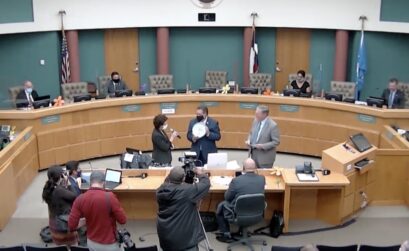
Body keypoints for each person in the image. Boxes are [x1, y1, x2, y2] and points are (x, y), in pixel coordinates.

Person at [68, 171, 127, 251]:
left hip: (91, 243)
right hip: (110, 244)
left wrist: (88, 219)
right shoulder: (110, 197)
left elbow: (71, 225)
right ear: (104, 182)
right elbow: (123, 220)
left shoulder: (80, 199)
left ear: (90, 182)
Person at [156, 166, 210, 251]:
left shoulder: (160, 190)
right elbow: (206, 184)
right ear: (183, 178)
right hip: (184, 241)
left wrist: (175, 174)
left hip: (165, 236)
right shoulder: (188, 191)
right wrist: (201, 174)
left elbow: (170, 182)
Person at [215, 158, 266, 243]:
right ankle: (242, 231)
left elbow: (227, 197)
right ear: (255, 168)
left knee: (220, 205)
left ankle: (226, 234)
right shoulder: (262, 179)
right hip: (257, 213)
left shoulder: (236, 181)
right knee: (246, 204)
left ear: (243, 168)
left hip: (239, 213)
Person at [42, 165, 78, 246]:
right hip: (63, 227)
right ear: (60, 176)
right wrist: (69, 184)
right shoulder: (59, 191)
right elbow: (74, 196)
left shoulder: (48, 188)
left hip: (54, 225)